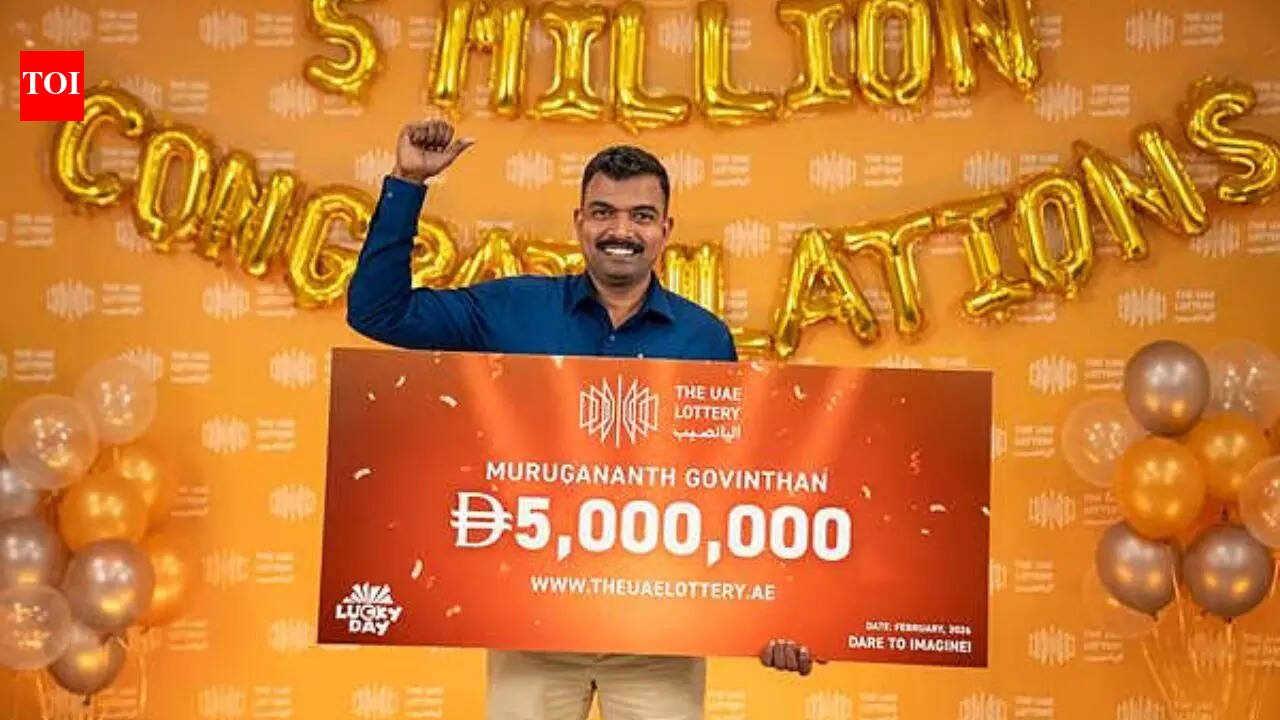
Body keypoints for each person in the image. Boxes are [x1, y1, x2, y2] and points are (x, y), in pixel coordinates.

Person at [346, 119, 817, 720]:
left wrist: (786, 614)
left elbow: (735, 487)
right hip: (529, 622)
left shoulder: (705, 339)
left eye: (641, 216)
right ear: (579, 223)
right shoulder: (509, 310)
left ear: (665, 230)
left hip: (658, 632)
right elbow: (378, 313)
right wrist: (408, 182)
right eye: (603, 213)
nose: (621, 230)